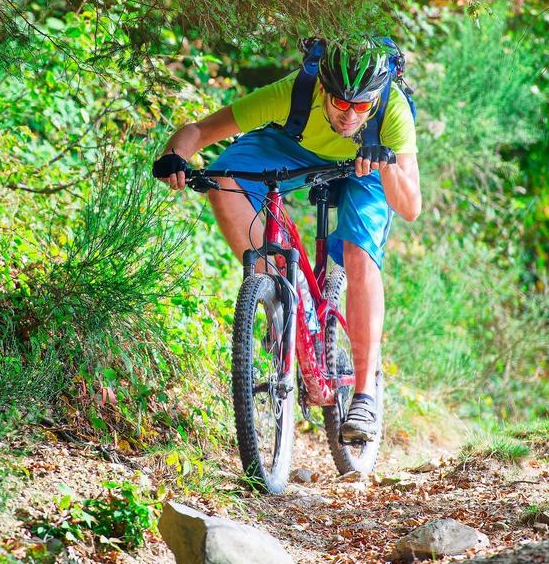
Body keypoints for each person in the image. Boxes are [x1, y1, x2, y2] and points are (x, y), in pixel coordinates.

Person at [153, 37, 422, 443]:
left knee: (359, 255)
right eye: (339, 103)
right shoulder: (295, 90)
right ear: (322, 90)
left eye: (361, 106)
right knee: (222, 180)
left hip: (369, 168)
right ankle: (281, 291)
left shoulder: (392, 109)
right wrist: (175, 155)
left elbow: (411, 205)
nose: (349, 116)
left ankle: (364, 394)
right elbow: (200, 130)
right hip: (296, 148)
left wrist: (386, 167)